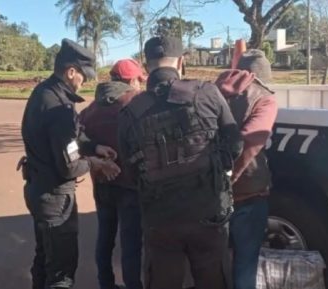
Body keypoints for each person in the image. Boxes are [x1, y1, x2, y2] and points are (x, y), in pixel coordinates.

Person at [118, 36, 243, 289]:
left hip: (159, 219)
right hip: (209, 212)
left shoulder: (130, 112)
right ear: (182, 62)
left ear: (146, 65)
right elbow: (236, 146)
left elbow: (130, 172)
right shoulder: (207, 92)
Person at [20, 38, 121, 289]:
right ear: (71, 71)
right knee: (61, 271)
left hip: (38, 189)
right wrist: (96, 163)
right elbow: (70, 166)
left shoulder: (44, 93)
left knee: (44, 257)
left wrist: (94, 146)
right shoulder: (59, 107)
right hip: (55, 198)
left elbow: (74, 135)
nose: (83, 82)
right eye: (83, 76)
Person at [79, 59, 146, 289]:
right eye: (139, 80)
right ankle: (132, 285)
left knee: (105, 238)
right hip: (131, 186)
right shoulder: (136, 104)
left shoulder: (90, 109)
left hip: (102, 184)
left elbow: (78, 139)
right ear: (132, 80)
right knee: (131, 244)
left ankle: (105, 283)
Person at [215, 49, 278, 289]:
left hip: (209, 192)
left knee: (215, 261)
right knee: (245, 262)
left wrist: (216, 181)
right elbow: (251, 142)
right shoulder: (264, 98)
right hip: (248, 193)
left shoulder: (212, 91)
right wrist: (229, 179)